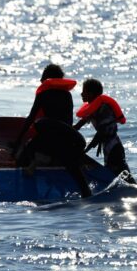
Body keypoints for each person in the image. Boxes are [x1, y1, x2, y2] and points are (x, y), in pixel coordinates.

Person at [12, 64, 92, 197]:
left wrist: (18, 140)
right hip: (70, 139)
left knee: (29, 146)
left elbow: (31, 118)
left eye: (42, 77)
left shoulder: (44, 94)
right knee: (71, 166)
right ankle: (86, 193)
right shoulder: (67, 95)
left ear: (47, 78)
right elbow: (68, 122)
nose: (40, 80)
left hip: (50, 133)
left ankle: (34, 172)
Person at [74, 78, 133, 182]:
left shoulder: (103, 108)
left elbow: (103, 131)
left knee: (123, 177)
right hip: (108, 147)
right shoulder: (92, 108)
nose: (81, 94)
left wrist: (87, 148)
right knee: (116, 175)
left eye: (84, 91)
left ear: (91, 94)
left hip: (114, 147)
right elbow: (78, 125)